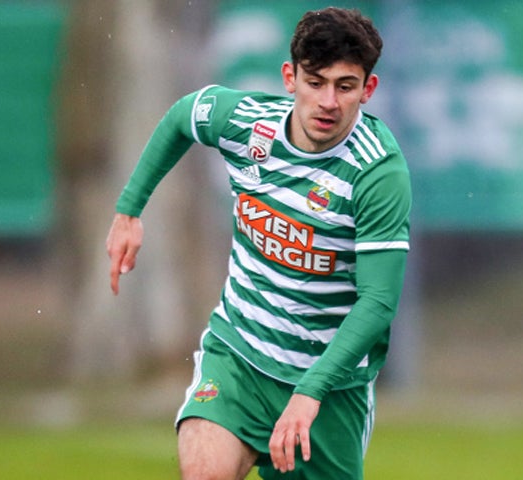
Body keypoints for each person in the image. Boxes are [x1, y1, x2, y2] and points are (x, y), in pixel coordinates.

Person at [106, 7, 411, 479]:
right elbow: (184, 116)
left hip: (329, 385)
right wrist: (129, 210)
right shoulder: (249, 124)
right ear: (290, 78)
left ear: (367, 89)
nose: (328, 101)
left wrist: (310, 391)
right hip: (240, 355)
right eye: (315, 82)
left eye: (345, 86)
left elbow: (378, 302)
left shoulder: (377, 173)